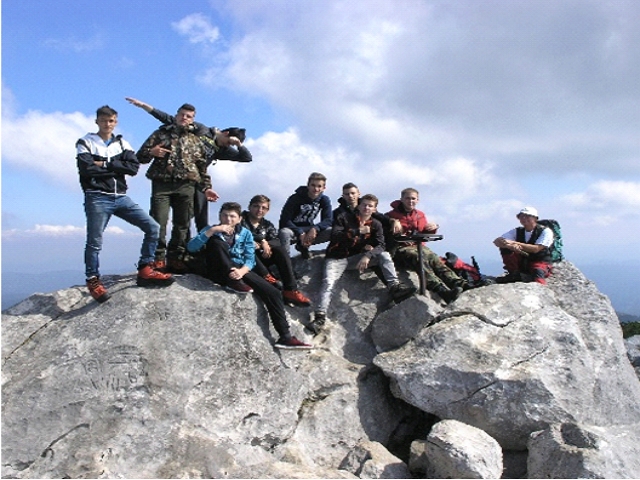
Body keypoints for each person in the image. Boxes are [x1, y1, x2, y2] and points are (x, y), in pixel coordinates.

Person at [76, 105, 174, 303]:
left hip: (120, 196)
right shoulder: (85, 142)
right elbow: (87, 169)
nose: (107, 124)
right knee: (95, 241)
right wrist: (118, 166)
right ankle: (93, 279)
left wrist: (104, 164)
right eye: (104, 120)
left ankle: (145, 268)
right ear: (97, 122)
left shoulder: (122, 143)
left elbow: (133, 168)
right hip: (97, 196)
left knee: (153, 227)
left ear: (116, 122)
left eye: (111, 120)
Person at [187, 202, 313, 350]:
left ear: (239, 219)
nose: (228, 219)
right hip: (217, 270)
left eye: (232, 216)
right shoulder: (211, 230)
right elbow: (191, 248)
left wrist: (242, 271)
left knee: (273, 292)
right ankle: (232, 280)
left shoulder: (245, 233)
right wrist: (212, 230)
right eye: (224, 215)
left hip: (239, 271)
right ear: (219, 216)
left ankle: (285, 337)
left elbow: (250, 259)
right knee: (216, 242)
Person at [125, 97, 252, 231]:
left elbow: (246, 158)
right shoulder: (202, 130)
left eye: (231, 145)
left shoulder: (223, 150)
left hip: (198, 178)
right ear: (225, 133)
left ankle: (200, 243)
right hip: (179, 176)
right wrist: (145, 106)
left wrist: (239, 145)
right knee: (168, 216)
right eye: (229, 142)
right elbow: (172, 119)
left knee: (199, 216)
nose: (228, 145)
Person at [312, 194, 417, 332]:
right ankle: (320, 317)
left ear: (374, 209)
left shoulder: (376, 224)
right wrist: (357, 231)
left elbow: (381, 245)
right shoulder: (344, 217)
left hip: (355, 259)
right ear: (359, 206)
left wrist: (368, 255)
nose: (366, 208)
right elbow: (335, 236)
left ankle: (395, 287)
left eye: (370, 206)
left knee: (384, 255)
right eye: (364, 205)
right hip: (336, 258)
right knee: (328, 283)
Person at [136, 103, 212, 273]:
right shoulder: (160, 134)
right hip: (162, 185)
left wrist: (206, 188)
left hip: (186, 186)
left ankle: (176, 257)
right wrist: (151, 152)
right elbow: (139, 157)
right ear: (176, 115)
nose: (184, 118)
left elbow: (202, 167)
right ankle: (158, 258)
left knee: (182, 224)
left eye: (188, 116)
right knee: (158, 222)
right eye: (182, 114)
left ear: (192, 120)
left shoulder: (196, 141)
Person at [386, 188, 468, 303]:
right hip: (399, 249)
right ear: (401, 199)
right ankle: (440, 290)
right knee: (418, 257)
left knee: (433, 258)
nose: (410, 201)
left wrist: (433, 228)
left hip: (418, 245)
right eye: (407, 198)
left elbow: (423, 232)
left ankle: (459, 283)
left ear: (417, 200)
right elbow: (386, 234)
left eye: (413, 198)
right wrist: (394, 225)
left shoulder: (420, 215)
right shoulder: (390, 216)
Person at [241, 195, 312, 307]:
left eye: (264, 208)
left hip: (263, 256)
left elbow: (276, 240)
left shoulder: (267, 225)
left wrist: (264, 244)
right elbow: (239, 232)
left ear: (267, 210)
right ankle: (267, 277)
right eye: (256, 206)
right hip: (245, 259)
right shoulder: (240, 219)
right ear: (249, 207)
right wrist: (261, 240)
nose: (259, 210)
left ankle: (291, 290)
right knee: (248, 247)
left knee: (280, 250)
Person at [493, 206, 554, 285]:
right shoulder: (517, 231)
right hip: (524, 263)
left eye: (527, 216)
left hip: (539, 262)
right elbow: (497, 242)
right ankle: (514, 273)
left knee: (537, 273)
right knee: (505, 248)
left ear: (535, 218)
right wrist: (511, 246)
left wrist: (515, 243)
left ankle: (540, 286)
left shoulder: (545, 231)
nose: (524, 218)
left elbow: (536, 249)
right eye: (521, 216)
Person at [278, 172, 333, 259]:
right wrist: (300, 232)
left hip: (309, 229)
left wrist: (315, 228)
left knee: (332, 231)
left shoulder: (324, 199)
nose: (316, 189)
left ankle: (302, 246)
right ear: (308, 186)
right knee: (284, 232)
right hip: (293, 229)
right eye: (313, 185)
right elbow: (285, 220)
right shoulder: (295, 198)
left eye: (319, 186)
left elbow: (328, 220)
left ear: (324, 188)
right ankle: (286, 260)